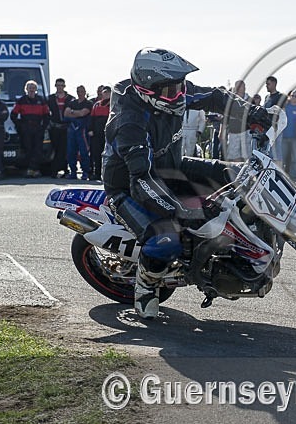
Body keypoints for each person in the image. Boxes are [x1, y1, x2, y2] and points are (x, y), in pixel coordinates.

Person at [102, 47, 271, 319]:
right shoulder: (129, 122)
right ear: (148, 89)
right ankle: (145, 288)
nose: (179, 94)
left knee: (239, 175)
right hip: (129, 186)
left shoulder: (172, 92)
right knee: (167, 239)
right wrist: (185, 211)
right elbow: (141, 180)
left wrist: (254, 113)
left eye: (180, 85)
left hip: (173, 166)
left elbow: (215, 97)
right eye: (171, 89)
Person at [11, 80, 50, 178]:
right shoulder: (21, 100)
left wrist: (43, 127)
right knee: (27, 149)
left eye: (33, 88)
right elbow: (13, 115)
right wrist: (20, 125)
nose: (31, 90)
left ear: (36, 89)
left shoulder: (41, 100)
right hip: (26, 129)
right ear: (26, 89)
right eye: (29, 88)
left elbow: (47, 115)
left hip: (38, 128)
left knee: (38, 150)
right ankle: (29, 169)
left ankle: (35, 170)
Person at [47, 78, 75, 177]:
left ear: (64, 86)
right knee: (55, 149)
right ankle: (54, 169)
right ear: (55, 86)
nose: (60, 87)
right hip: (54, 127)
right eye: (58, 85)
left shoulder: (71, 98)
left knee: (65, 149)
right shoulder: (50, 98)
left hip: (66, 127)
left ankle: (63, 169)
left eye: (61, 85)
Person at [64, 85, 93, 180]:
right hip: (72, 129)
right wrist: (77, 112)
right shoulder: (72, 102)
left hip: (82, 130)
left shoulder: (88, 103)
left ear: (85, 92)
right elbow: (66, 113)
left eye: (81, 91)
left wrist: (72, 112)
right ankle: (73, 172)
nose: (80, 93)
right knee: (71, 151)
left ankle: (85, 172)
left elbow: (83, 113)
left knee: (84, 152)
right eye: (78, 91)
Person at [223, 80, 251, 162]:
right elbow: (226, 116)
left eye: (243, 86)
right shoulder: (231, 100)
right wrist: (222, 131)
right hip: (233, 131)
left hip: (246, 130)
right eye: (239, 86)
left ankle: (247, 173)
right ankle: (237, 172)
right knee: (234, 155)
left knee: (246, 155)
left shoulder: (249, 100)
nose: (242, 88)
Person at [88, 85, 111, 180]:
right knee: (96, 154)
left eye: (107, 93)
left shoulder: (113, 104)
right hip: (96, 134)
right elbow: (92, 119)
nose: (105, 94)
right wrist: (90, 129)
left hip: (108, 134)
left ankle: (107, 175)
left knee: (108, 155)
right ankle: (97, 173)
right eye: (104, 92)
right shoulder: (96, 104)